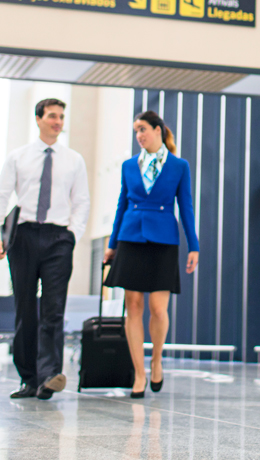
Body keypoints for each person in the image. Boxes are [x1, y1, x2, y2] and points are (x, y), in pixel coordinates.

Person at [0, 97, 90, 400]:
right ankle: (29, 379)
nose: (58, 122)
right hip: (24, 236)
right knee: (25, 309)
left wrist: (72, 235)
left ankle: (49, 376)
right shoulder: (18, 157)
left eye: (61, 117)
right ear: (38, 119)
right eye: (52, 116)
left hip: (59, 238)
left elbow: (81, 201)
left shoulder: (74, 160)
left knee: (53, 309)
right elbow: (1, 195)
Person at [104, 110, 200, 398]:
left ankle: (156, 360)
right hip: (130, 237)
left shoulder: (179, 166)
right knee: (133, 306)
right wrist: (112, 244)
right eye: (136, 131)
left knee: (158, 309)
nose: (139, 135)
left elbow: (186, 207)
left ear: (159, 130)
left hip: (163, 239)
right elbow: (121, 204)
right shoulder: (128, 165)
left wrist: (194, 245)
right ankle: (139, 373)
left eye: (143, 129)